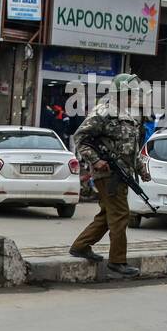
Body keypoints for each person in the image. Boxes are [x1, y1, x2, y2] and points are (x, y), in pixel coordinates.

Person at [68, 73, 151, 278]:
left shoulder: (127, 115)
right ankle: (117, 261)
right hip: (108, 174)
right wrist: (95, 160)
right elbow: (81, 138)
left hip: (122, 173)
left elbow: (130, 149)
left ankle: (80, 246)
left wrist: (141, 170)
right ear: (122, 93)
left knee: (108, 215)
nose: (135, 98)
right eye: (132, 94)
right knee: (120, 215)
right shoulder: (103, 112)